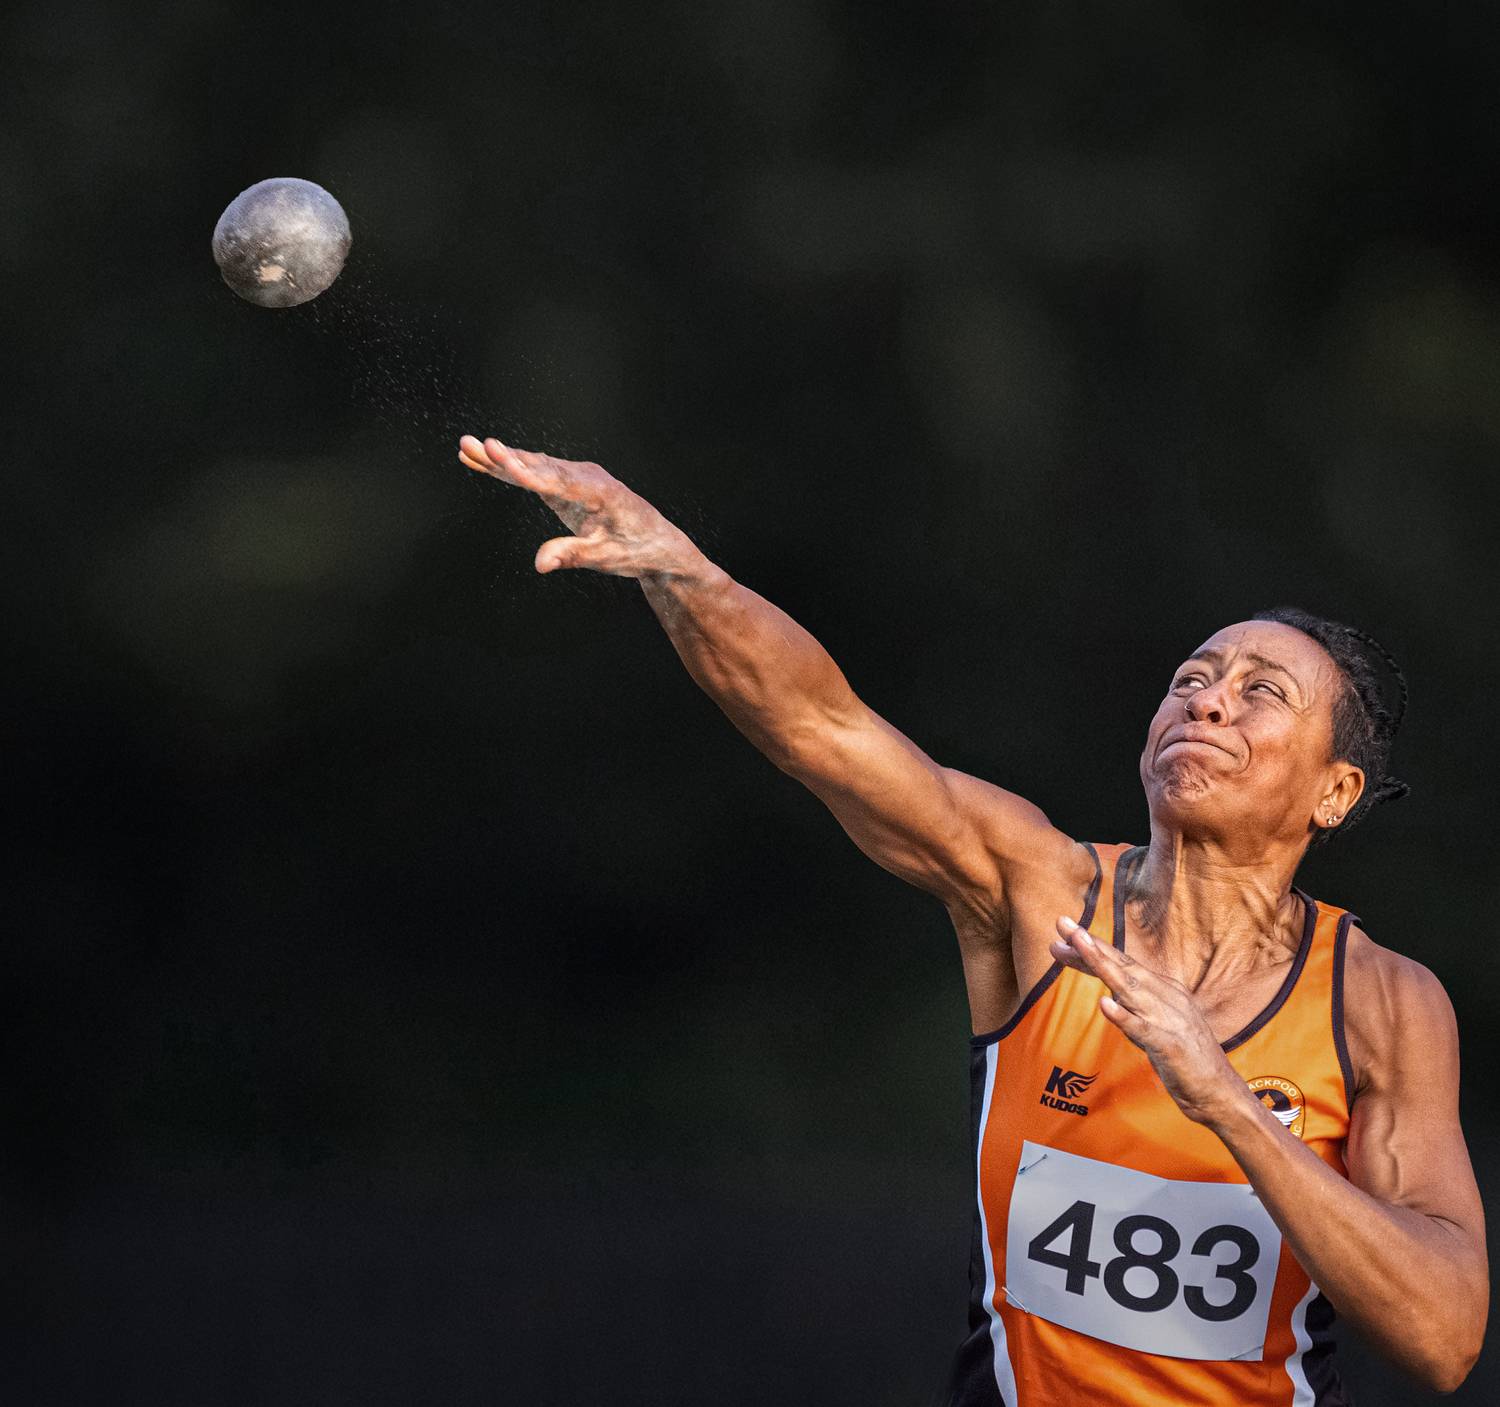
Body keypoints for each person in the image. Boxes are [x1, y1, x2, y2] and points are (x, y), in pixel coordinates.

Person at [457, 434, 1488, 1403]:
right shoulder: (1041, 894)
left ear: (1335, 792)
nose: (1207, 701)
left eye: (1262, 692)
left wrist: (1228, 1105)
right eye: (1192, 679)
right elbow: (821, 726)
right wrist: (679, 571)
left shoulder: (1381, 1003)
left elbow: (1444, 1338)